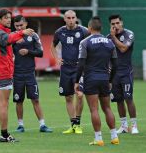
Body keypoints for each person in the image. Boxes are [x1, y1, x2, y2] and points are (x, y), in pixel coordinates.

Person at [0, 8, 34, 142]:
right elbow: (6, 38)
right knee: (4, 104)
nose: (9, 20)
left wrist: (15, 37)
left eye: (9, 17)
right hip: (3, 72)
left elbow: (6, 40)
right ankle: (5, 135)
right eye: (6, 17)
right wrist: (21, 32)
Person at [75, 16, 119, 146]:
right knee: (107, 108)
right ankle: (114, 136)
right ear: (101, 28)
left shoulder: (85, 42)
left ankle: (98, 138)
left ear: (89, 28)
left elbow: (81, 64)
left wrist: (77, 81)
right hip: (105, 79)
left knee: (94, 109)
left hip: (91, 79)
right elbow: (115, 65)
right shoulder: (110, 42)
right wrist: (110, 80)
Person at [12, 15, 52, 133]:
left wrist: (28, 51)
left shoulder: (33, 35)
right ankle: (20, 125)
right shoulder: (12, 37)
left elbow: (40, 52)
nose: (19, 27)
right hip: (17, 73)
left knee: (35, 99)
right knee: (18, 100)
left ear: (26, 24)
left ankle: (42, 125)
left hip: (30, 73)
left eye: (21, 25)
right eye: (17, 26)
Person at [51, 10, 88, 134]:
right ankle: (73, 125)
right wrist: (57, 59)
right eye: (69, 18)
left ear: (76, 18)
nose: (71, 20)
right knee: (68, 97)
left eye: (73, 17)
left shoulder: (83, 31)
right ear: (65, 19)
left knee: (80, 95)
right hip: (65, 68)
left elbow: (90, 46)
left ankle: (78, 123)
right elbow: (53, 46)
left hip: (79, 68)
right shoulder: (59, 32)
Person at [107, 14, 138, 134]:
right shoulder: (108, 37)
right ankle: (124, 126)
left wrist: (114, 38)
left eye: (117, 23)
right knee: (118, 100)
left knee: (128, 98)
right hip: (114, 74)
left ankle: (134, 125)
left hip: (126, 72)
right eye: (113, 24)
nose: (115, 26)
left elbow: (123, 48)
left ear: (122, 23)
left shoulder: (128, 34)